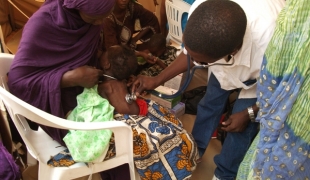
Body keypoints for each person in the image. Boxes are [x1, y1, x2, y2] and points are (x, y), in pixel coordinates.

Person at [131, 0, 285, 179]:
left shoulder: (273, 44)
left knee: (239, 129)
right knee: (209, 104)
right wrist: (156, 80)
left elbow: (284, 89)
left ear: (232, 52)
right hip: (223, 63)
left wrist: (250, 112)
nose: (196, 63)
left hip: (261, 81)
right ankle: (194, 152)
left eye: (202, 62)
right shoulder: (202, 10)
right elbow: (190, 54)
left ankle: (224, 174)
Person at [8, 0, 113, 149]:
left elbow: (91, 56)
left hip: (86, 95)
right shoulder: (41, 25)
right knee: (120, 139)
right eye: (95, 17)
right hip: (56, 110)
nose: (100, 23)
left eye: (104, 16)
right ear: (76, 6)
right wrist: (70, 79)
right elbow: (18, 83)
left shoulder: (91, 22)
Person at [96, 45, 199, 180]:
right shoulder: (124, 81)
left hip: (133, 117)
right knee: (169, 124)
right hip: (141, 110)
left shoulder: (105, 87)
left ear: (106, 63)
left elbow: (126, 110)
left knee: (154, 139)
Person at [237, 1, 310, 179]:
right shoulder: (287, 33)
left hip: (296, 128)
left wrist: (249, 112)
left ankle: (224, 171)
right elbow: (271, 94)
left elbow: (273, 96)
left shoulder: (265, 33)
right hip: (275, 98)